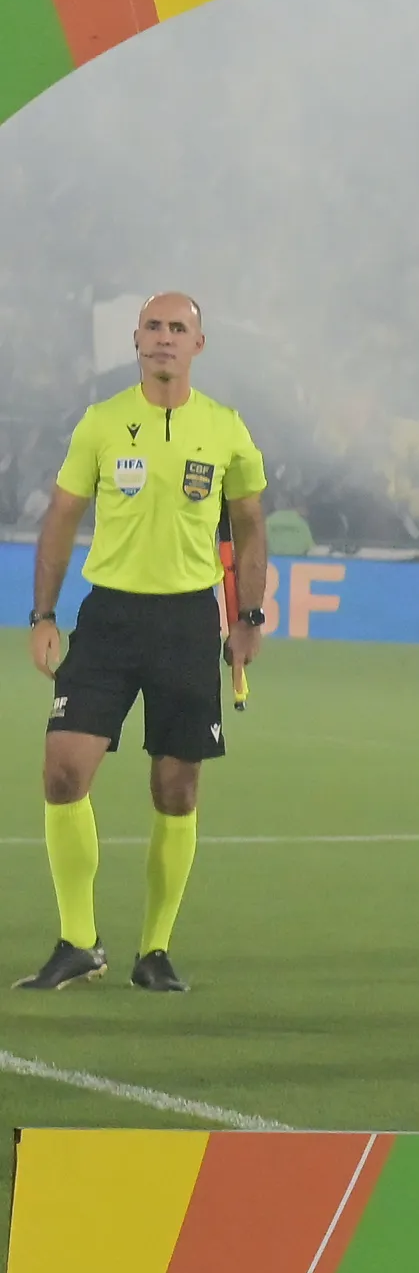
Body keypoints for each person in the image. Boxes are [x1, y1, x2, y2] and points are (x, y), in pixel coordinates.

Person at [21, 293, 266, 993]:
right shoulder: (101, 423)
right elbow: (63, 519)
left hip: (188, 622)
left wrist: (248, 616)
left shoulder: (225, 428)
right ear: (136, 340)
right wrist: (43, 614)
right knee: (64, 772)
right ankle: (77, 940)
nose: (164, 339)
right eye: (154, 328)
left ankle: (154, 950)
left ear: (199, 344)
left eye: (177, 329)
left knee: (176, 788)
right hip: (108, 621)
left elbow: (249, 525)